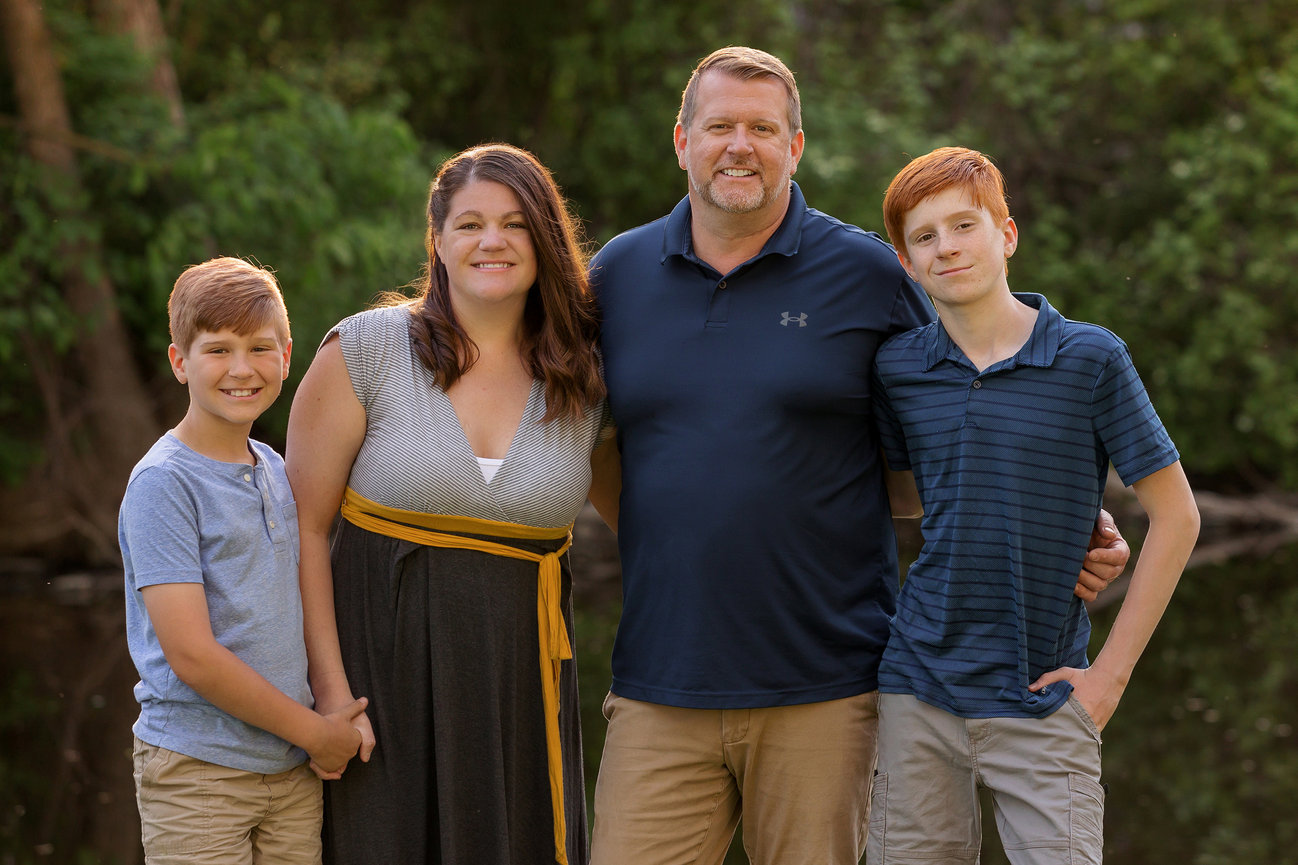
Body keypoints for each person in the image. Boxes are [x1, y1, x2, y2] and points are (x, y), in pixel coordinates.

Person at [587, 48, 1131, 865]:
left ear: (795, 147)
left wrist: (1061, 523)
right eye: (721, 126)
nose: (741, 145)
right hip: (660, 683)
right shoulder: (617, 274)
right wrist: (674, 531)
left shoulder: (868, 273)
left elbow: (964, 414)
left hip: (829, 689)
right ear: (682, 141)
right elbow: (584, 441)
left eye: (763, 129)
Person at [865, 146, 1200, 863]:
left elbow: (1178, 516)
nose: (947, 247)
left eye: (964, 225)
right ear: (906, 262)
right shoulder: (899, 369)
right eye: (925, 237)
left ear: (1006, 234)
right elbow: (913, 498)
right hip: (916, 691)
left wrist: (1107, 679)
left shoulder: (1091, 358)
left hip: (1045, 695)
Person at [285, 143, 616, 865]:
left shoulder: (587, 375)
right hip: (382, 682)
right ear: (436, 240)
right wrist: (330, 695)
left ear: (545, 239)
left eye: (515, 224)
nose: (492, 241)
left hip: (520, 689)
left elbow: (648, 519)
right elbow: (304, 531)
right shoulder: (366, 349)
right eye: (469, 224)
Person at [119, 256, 367, 865]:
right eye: (217, 349)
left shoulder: (276, 469)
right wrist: (316, 734)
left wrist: (323, 715)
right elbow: (192, 655)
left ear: (286, 358)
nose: (241, 369)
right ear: (180, 362)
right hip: (200, 771)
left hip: (289, 775)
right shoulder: (164, 484)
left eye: (260, 348)